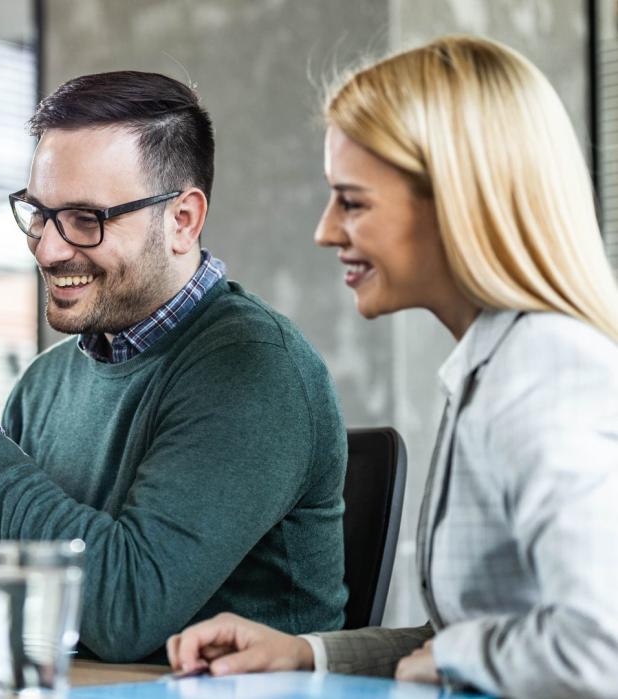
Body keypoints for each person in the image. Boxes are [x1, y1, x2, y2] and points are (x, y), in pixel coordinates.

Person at [0, 71, 348, 663]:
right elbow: (22, 586)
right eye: (39, 213)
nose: (48, 248)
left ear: (182, 220)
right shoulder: (48, 381)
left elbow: (124, 611)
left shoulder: (253, 368)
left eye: (85, 219)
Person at [165, 36, 618, 698]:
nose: (324, 230)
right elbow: (469, 637)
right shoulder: (493, 366)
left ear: (459, 202)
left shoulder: (543, 367)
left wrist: (454, 653)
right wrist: (303, 654)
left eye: (352, 201)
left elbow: (599, 642)